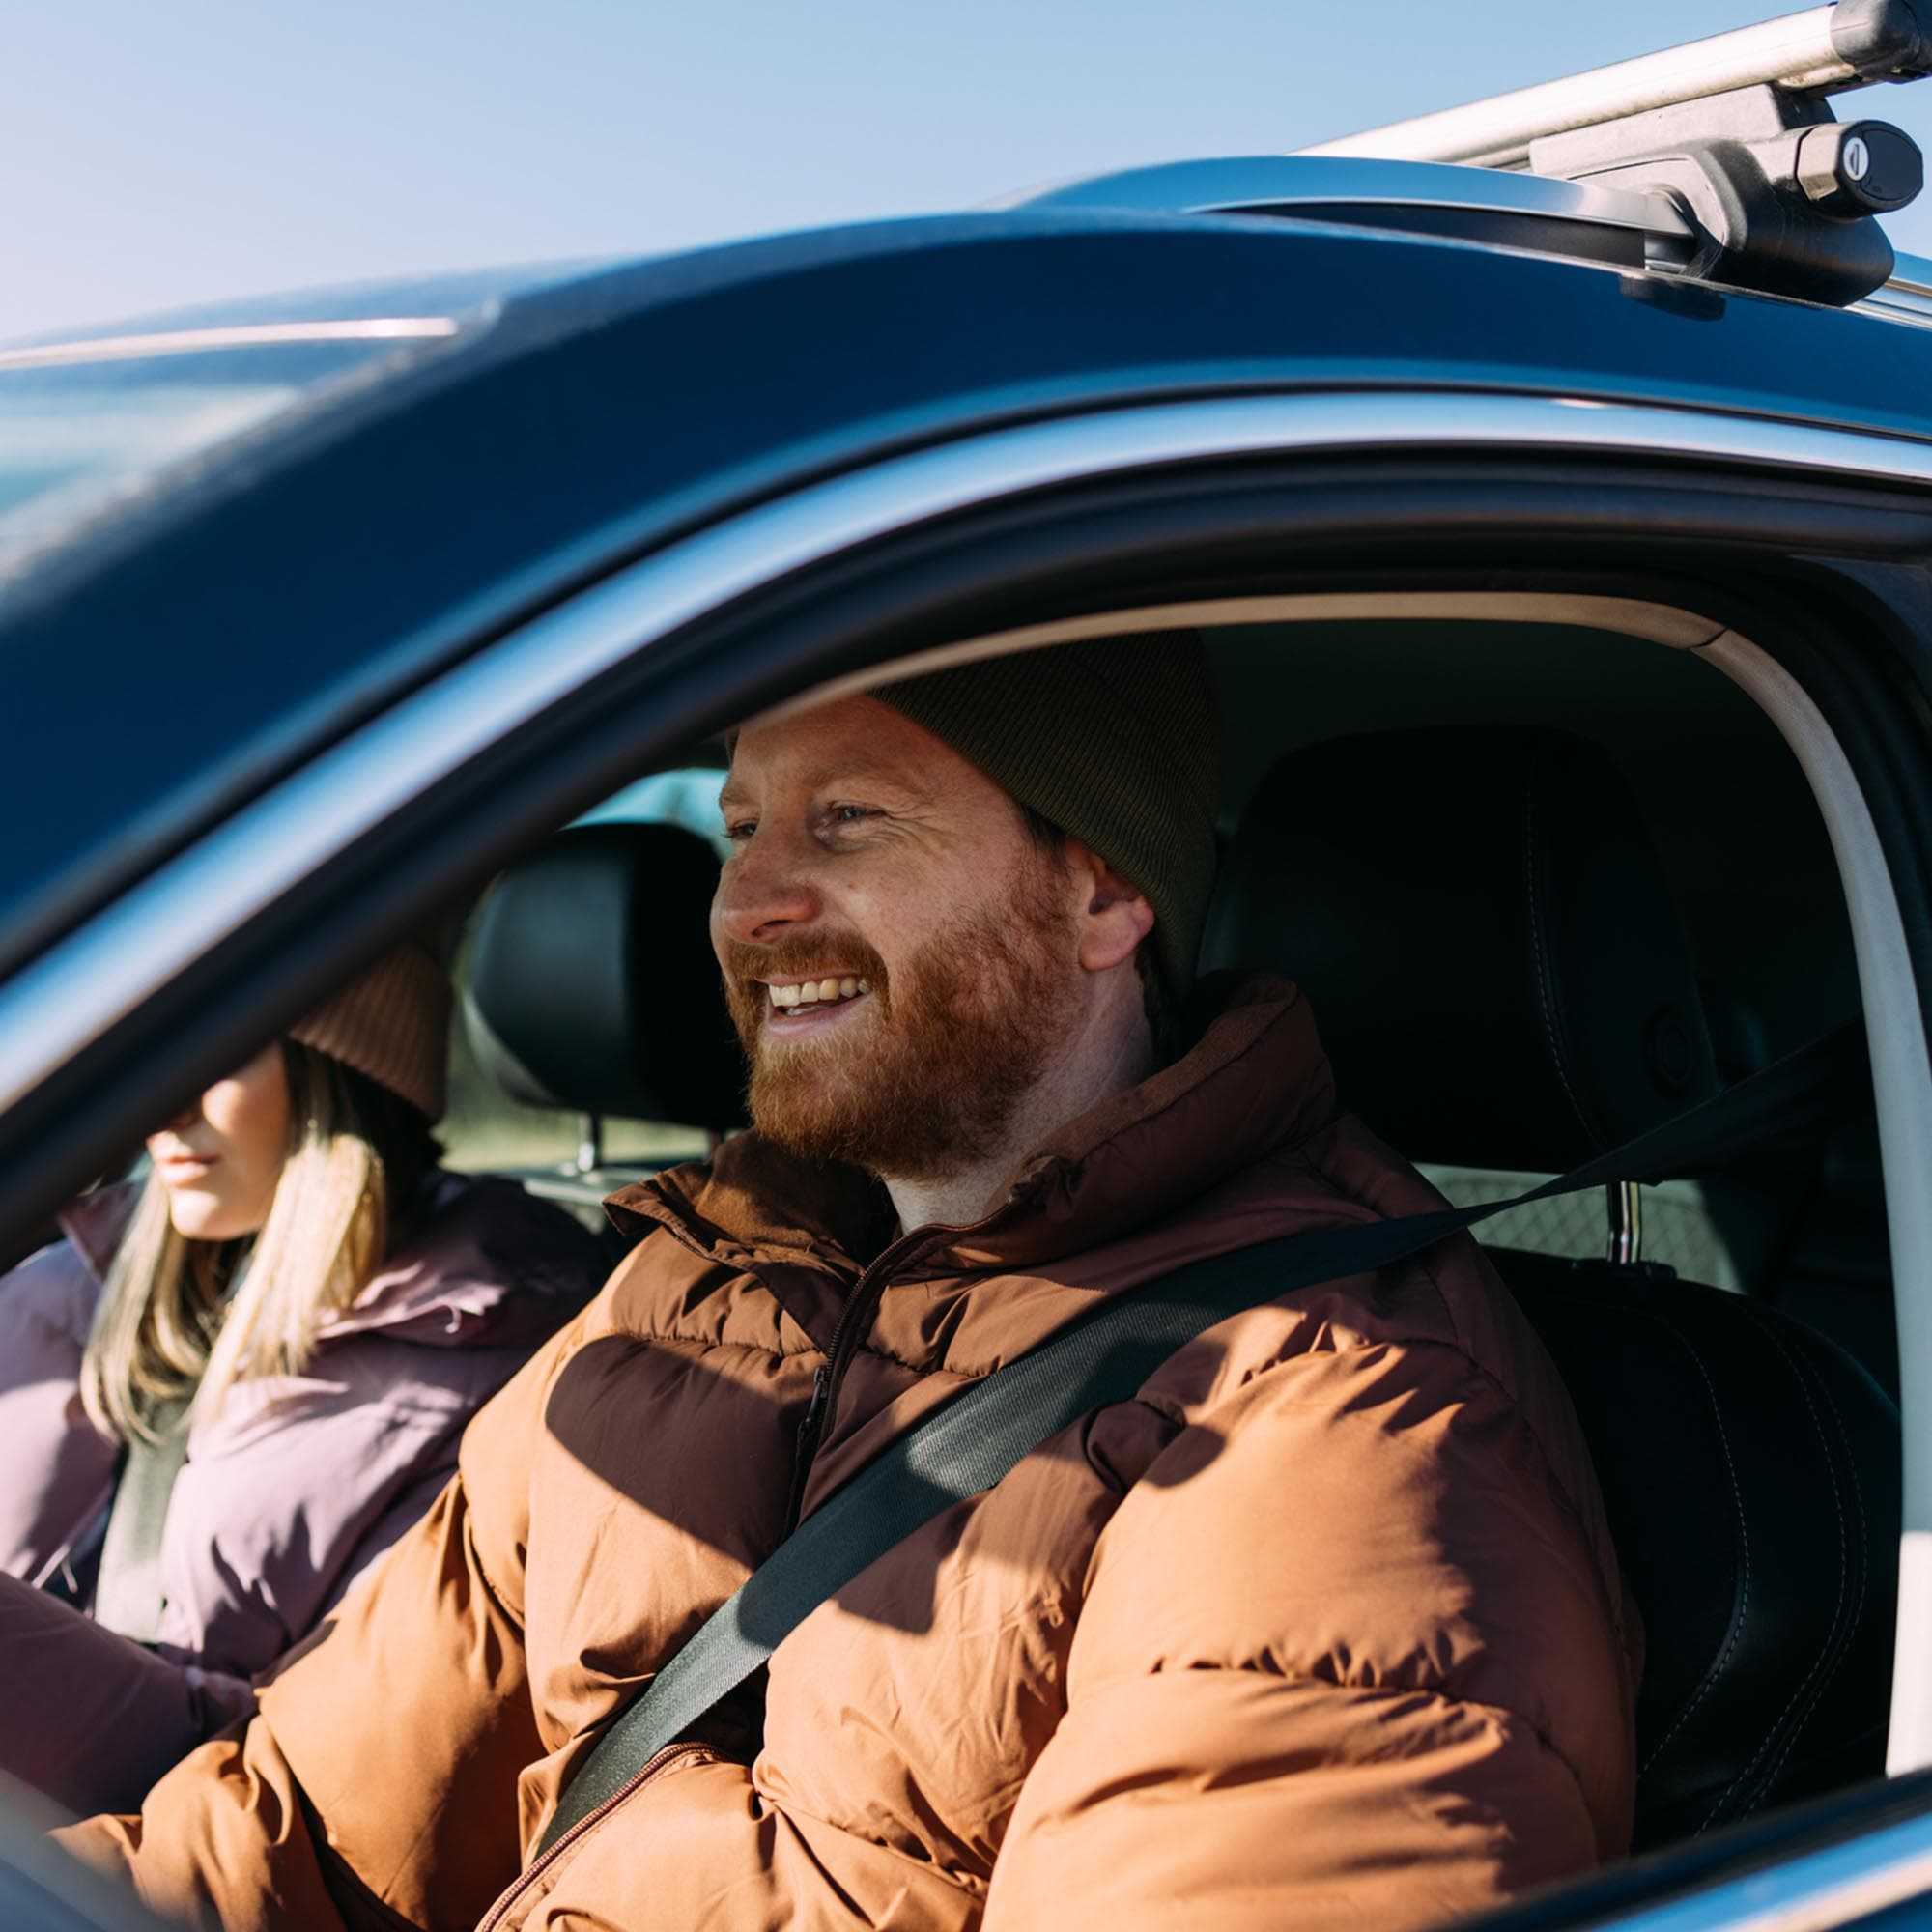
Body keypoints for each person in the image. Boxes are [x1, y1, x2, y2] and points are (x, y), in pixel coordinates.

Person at [60, 635, 1638, 1930]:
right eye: (741, 828)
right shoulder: (689, 1293)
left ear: (1101, 893)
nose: (747, 906)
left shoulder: (1330, 1432)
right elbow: (290, 1836)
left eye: (851, 822)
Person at [0, 941, 609, 1816]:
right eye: (149, 1049)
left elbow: (321, 1783)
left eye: (213, 1054)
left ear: (342, 1079)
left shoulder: (497, 1375)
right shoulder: (61, 1282)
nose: (161, 1105)